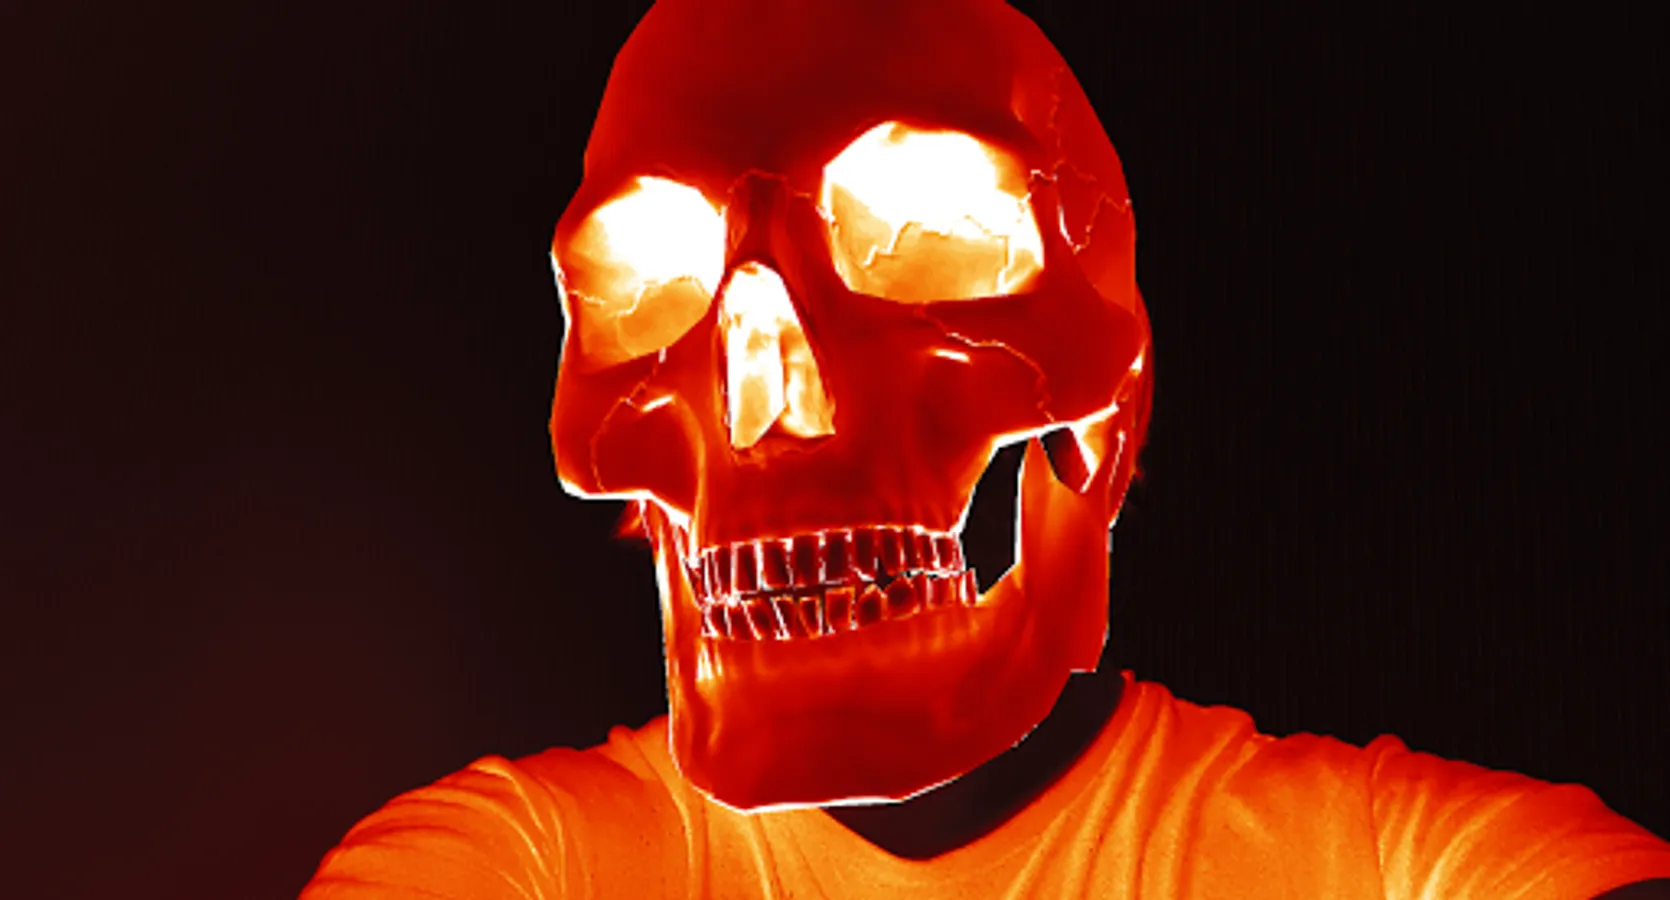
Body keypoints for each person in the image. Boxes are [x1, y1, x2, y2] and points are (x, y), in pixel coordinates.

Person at [302, 1, 1670, 896]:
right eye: (650, 283)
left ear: (1113, 395)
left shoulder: (1388, 858)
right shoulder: (521, 860)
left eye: (923, 241)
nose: (768, 398)